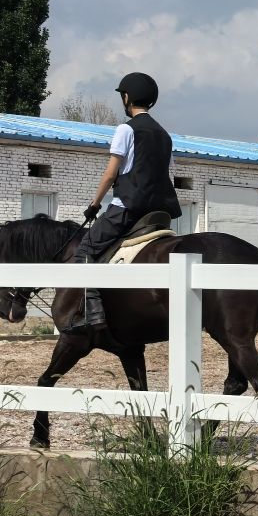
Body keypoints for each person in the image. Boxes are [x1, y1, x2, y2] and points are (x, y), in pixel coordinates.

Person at [74, 72, 181, 331]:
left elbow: (112, 172)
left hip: (128, 208)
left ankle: (94, 312)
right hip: (159, 213)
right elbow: (167, 173)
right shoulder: (165, 136)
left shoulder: (126, 129)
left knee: (83, 252)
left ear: (127, 97)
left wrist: (95, 204)